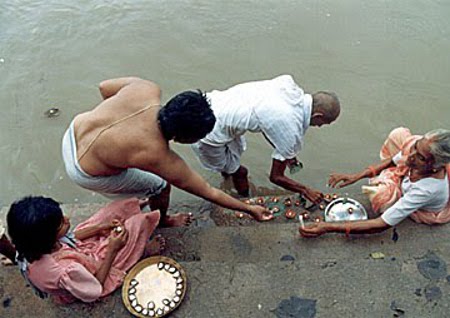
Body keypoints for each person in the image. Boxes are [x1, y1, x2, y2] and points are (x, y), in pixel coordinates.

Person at [62, 77, 272, 224]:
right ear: (183, 138)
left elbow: (104, 87)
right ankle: (164, 221)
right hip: (82, 171)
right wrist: (249, 208)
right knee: (161, 186)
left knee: (133, 167)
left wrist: (116, 128)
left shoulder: (146, 89)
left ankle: (128, 182)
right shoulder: (157, 155)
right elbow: (208, 191)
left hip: (73, 133)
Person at [191, 75, 340, 204]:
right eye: (324, 123)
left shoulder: (288, 88)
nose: (320, 127)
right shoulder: (290, 127)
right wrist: (305, 190)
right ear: (318, 116)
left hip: (213, 103)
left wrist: (288, 155)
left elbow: (268, 124)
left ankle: (227, 173)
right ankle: (243, 201)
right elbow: (275, 177)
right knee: (241, 172)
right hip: (206, 128)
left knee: (230, 164)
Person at [7, 196, 165, 303]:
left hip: (78, 253)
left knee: (113, 210)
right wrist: (112, 250)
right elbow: (96, 285)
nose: (68, 219)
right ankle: (142, 251)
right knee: (136, 225)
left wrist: (99, 228)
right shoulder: (63, 270)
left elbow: (70, 237)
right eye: (61, 223)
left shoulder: (29, 244)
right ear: (47, 238)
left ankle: (133, 209)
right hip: (91, 277)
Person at [300, 127, 450, 238]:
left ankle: (390, 190)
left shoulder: (426, 190)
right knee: (398, 135)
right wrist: (356, 176)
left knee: (380, 195)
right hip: (408, 177)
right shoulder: (417, 150)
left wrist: (328, 227)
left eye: (421, 158)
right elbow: (392, 161)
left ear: (436, 166)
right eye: (415, 148)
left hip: (421, 209)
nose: (411, 156)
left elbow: (381, 224)